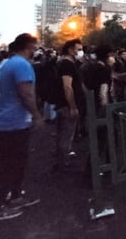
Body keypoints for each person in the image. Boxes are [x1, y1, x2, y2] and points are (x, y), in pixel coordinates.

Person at [0, 34, 42, 222]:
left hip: (7, 121)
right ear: (27, 46)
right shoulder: (21, 64)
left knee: (16, 162)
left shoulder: (8, 63)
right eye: (35, 46)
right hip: (11, 123)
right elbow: (26, 94)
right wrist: (36, 115)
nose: (37, 49)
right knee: (7, 164)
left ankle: (16, 196)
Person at [53, 39, 86, 171]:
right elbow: (67, 87)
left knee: (63, 133)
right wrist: (72, 106)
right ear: (70, 50)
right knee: (66, 134)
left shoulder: (69, 63)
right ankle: (63, 163)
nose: (81, 52)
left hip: (64, 105)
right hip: (67, 106)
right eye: (78, 49)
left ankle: (61, 159)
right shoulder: (67, 64)